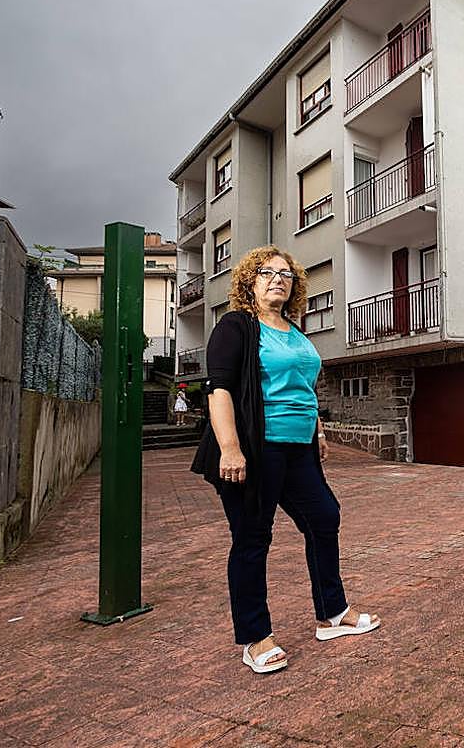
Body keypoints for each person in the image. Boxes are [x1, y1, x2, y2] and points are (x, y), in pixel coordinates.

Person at [191, 245, 380, 674]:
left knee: (324, 517)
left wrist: (317, 430)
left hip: (299, 451)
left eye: (286, 274)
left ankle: (332, 614)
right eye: (267, 272)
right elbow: (218, 389)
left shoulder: (295, 332)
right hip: (256, 450)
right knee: (253, 539)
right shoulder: (237, 326)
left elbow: (304, 388)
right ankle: (255, 638)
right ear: (249, 282)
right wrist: (230, 448)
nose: (278, 279)